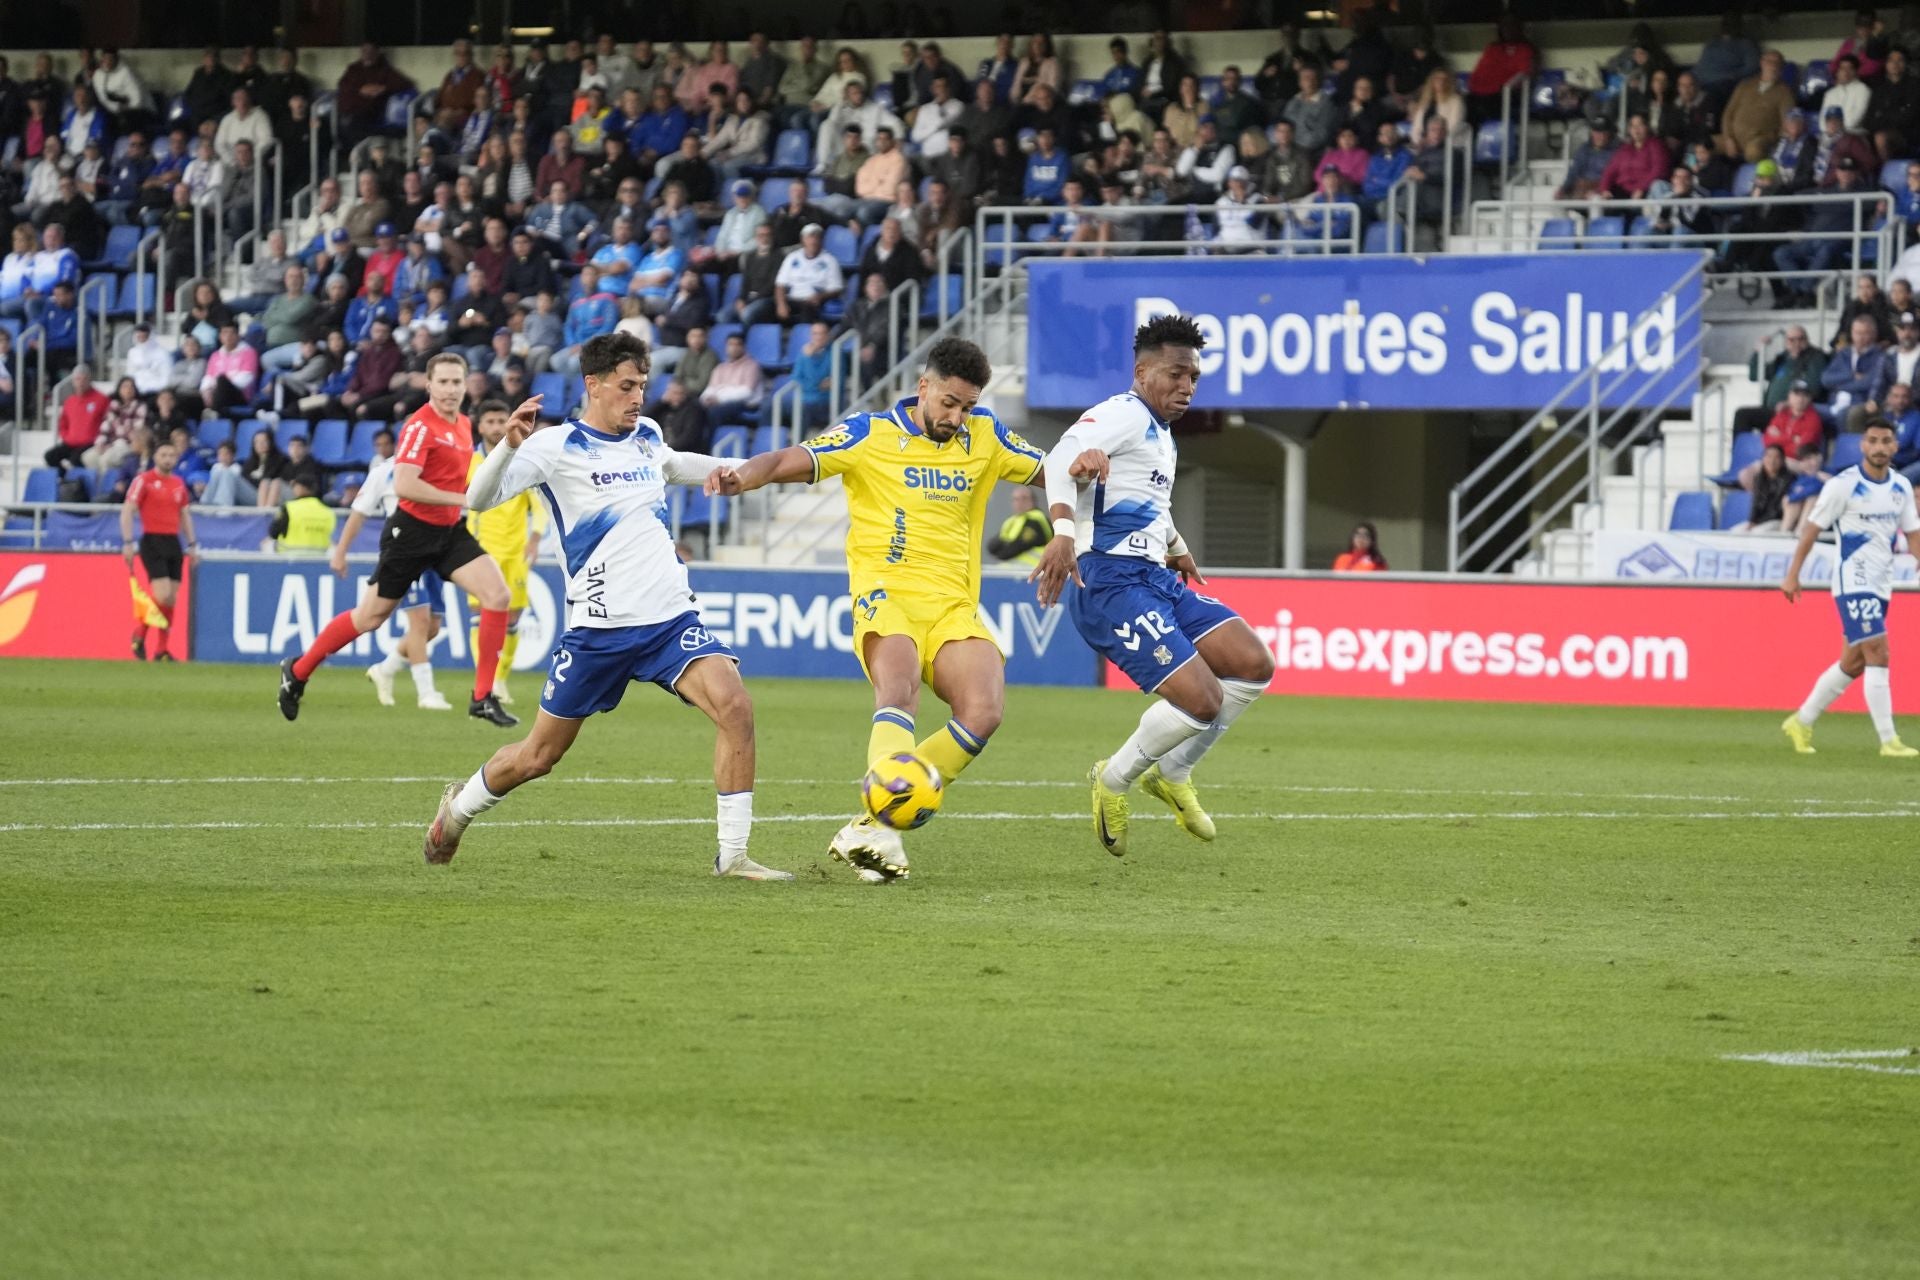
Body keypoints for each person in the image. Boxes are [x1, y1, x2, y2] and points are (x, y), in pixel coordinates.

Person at [425, 332, 790, 882]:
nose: (637, 396)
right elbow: (476, 499)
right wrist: (508, 444)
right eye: (626, 387)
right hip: (598, 633)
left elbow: (670, 463)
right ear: (592, 385)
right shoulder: (552, 447)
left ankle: (733, 853)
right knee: (537, 758)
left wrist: (732, 470)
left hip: (669, 621)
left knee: (736, 707)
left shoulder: (646, 434)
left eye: (641, 385)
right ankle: (456, 812)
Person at [719, 338, 1084, 883]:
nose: (957, 417)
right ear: (924, 387)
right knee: (900, 689)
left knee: (984, 711)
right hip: (885, 591)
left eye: (967, 405)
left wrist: (1080, 491)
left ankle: (868, 824)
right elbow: (788, 459)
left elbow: (1056, 472)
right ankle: (884, 826)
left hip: (954, 603)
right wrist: (744, 477)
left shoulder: (985, 436)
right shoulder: (870, 434)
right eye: (948, 403)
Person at [1031, 314, 1277, 856]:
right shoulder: (1120, 413)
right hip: (1111, 580)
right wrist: (1064, 530)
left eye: (1193, 377)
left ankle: (1172, 771)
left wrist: (1178, 546)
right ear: (1142, 372)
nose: (1186, 386)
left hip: (1155, 576)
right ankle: (1113, 779)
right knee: (1203, 700)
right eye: (1175, 374)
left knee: (1253, 664)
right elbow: (1058, 460)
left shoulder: (1159, 433)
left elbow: (1147, 502)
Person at [277, 352, 517, 728]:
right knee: (369, 617)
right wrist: (463, 499)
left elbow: (457, 482)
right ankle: (299, 669)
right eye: (444, 382)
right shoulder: (420, 426)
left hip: (448, 531)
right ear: (429, 384)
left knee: (498, 595)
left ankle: (482, 696)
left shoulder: (464, 425)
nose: (451, 389)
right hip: (411, 532)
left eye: (457, 382)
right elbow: (405, 484)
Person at [1781, 418, 1920, 757]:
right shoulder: (1843, 485)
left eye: (1885, 441)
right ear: (1862, 445)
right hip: (1852, 580)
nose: (1879, 447)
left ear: (1894, 446)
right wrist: (1793, 573)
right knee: (1879, 652)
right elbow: (1812, 529)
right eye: (1872, 440)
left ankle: (1801, 720)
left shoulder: (1901, 487)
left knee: (1854, 662)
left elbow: (1912, 532)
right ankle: (1889, 741)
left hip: (1881, 582)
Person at [333, 429, 450, 710]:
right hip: (404, 554)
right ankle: (426, 693)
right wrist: (340, 552)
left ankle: (385, 670)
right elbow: (359, 512)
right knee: (420, 622)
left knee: (432, 627)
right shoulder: (385, 471)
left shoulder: (442, 468)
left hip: (435, 552)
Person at [464, 400, 548, 706]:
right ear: (480, 426)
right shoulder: (469, 461)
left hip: (515, 553)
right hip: (480, 553)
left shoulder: (521, 460)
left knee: (512, 622)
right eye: (490, 421)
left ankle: (501, 678)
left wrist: (536, 537)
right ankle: (487, 681)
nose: (497, 426)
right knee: (481, 617)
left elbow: (538, 508)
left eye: (502, 420)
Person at [119, 439, 200, 661]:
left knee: (171, 599)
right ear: (155, 457)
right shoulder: (143, 481)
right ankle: (140, 632)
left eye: (171, 455)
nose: (168, 459)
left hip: (173, 542)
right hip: (152, 541)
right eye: (163, 454)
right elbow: (128, 511)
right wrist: (127, 542)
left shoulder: (178, 483)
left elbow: (184, 515)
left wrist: (192, 544)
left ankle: (161, 650)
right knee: (162, 595)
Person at [774, 223, 844, 325]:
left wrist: (820, 297)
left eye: (817, 238)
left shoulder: (830, 261)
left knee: (807, 309)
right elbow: (780, 285)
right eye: (810, 237)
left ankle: (803, 337)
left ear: (822, 241)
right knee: (764, 307)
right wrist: (781, 304)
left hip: (811, 301)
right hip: (791, 299)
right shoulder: (792, 257)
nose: (813, 241)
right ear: (803, 240)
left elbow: (836, 289)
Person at [44, 364, 109, 473]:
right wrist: (66, 437)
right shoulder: (70, 401)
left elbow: (107, 421)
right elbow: (63, 423)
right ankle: (65, 480)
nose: (81, 383)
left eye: (84, 379)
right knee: (50, 456)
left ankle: (80, 485)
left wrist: (99, 439)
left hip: (90, 443)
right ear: (73, 381)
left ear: (90, 380)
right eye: (78, 379)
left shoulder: (101, 399)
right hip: (71, 442)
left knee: (76, 459)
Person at [269, 474, 335, 553]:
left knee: (267, 543)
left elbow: (273, 532)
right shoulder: (327, 511)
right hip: (318, 556)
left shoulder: (289, 507)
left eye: (294, 486)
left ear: (300, 487)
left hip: (290, 555)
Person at [987, 486, 1050, 567]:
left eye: (1024, 498)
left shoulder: (1036, 520)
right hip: (1011, 572)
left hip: (1032, 571)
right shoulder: (1012, 521)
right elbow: (992, 546)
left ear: (1033, 501)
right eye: (1016, 499)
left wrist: (1001, 553)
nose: (1020, 502)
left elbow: (1019, 546)